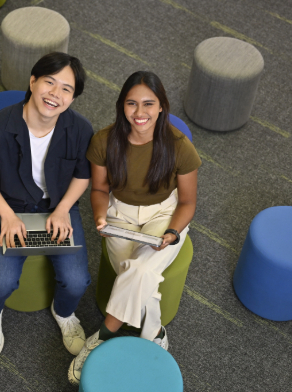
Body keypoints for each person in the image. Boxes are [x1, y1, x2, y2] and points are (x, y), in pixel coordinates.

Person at [68, 71, 202, 385]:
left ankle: (101, 335)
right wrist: (101, 217)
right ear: (121, 105)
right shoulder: (104, 140)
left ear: (161, 106)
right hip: (120, 214)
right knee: (139, 271)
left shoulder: (179, 146)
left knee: (137, 270)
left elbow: (188, 202)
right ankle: (154, 329)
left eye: (148, 104)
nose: (139, 113)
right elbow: (99, 190)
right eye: (131, 103)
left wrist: (172, 233)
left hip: (164, 215)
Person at [0, 52, 94, 358]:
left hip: (59, 204)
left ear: (73, 97)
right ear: (32, 81)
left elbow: (82, 174)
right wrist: (8, 216)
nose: (55, 93)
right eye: (49, 82)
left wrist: (64, 208)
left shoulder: (80, 129)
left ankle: (64, 314)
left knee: (77, 281)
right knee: (0, 282)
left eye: (66, 88)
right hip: (10, 206)